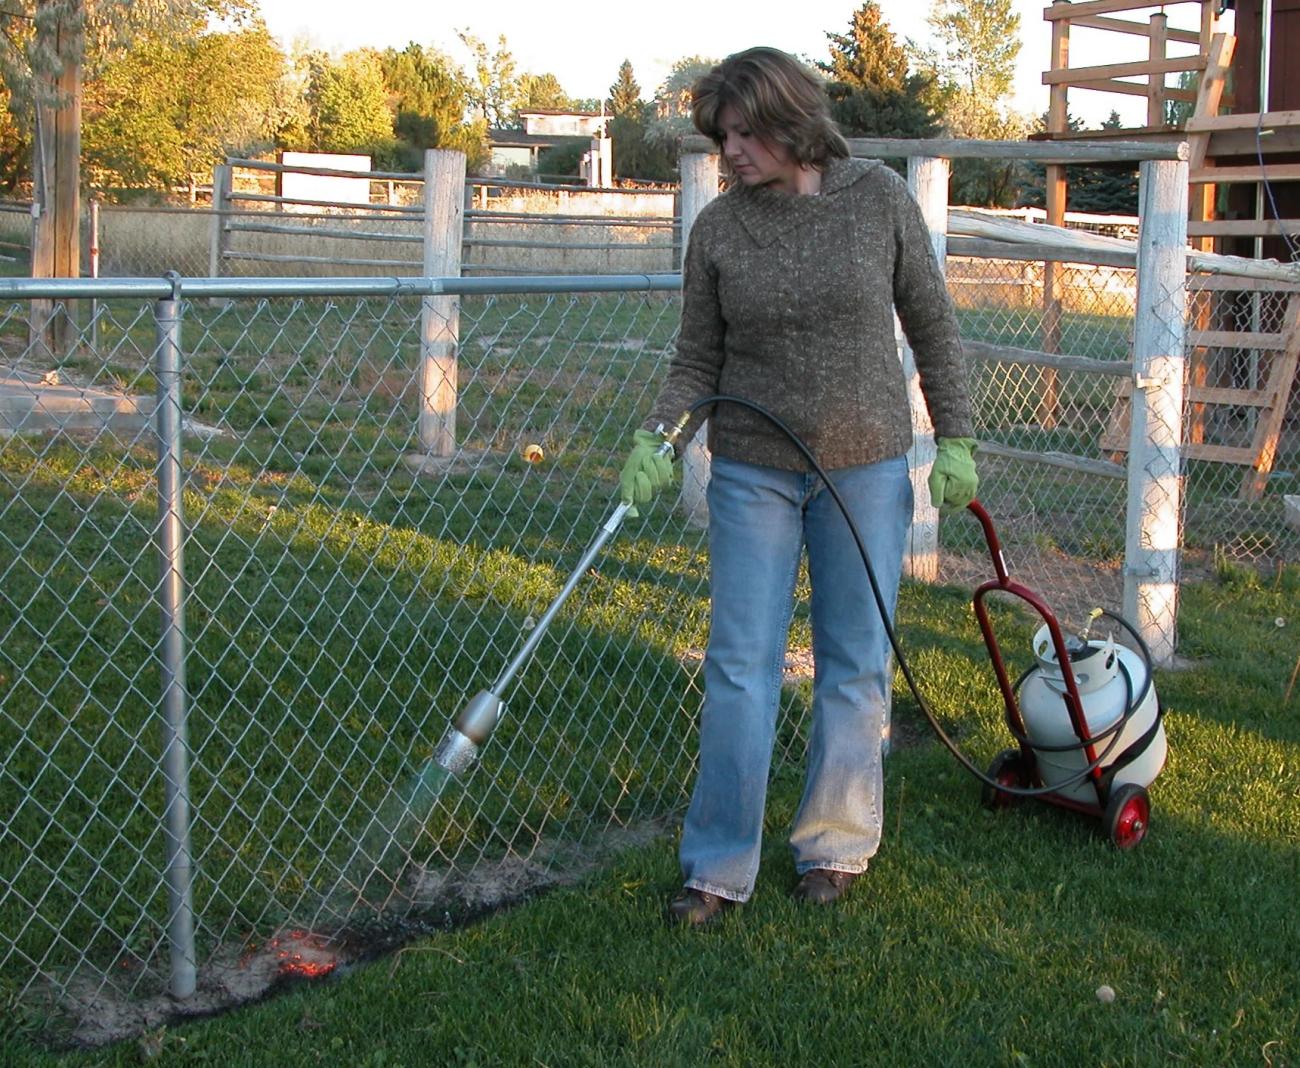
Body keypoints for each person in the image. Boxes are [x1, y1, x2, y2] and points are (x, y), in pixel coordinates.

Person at [619, 46, 978, 926]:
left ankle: (835, 844)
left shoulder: (878, 201)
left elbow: (932, 325)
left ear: (791, 122)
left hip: (866, 469)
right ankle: (716, 867)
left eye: (746, 133)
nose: (731, 151)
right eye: (722, 136)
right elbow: (697, 358)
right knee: (740, 667)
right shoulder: (720, 228)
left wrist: (958, 436)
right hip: (751, 472)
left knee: (853, 665)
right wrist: (660, 437)